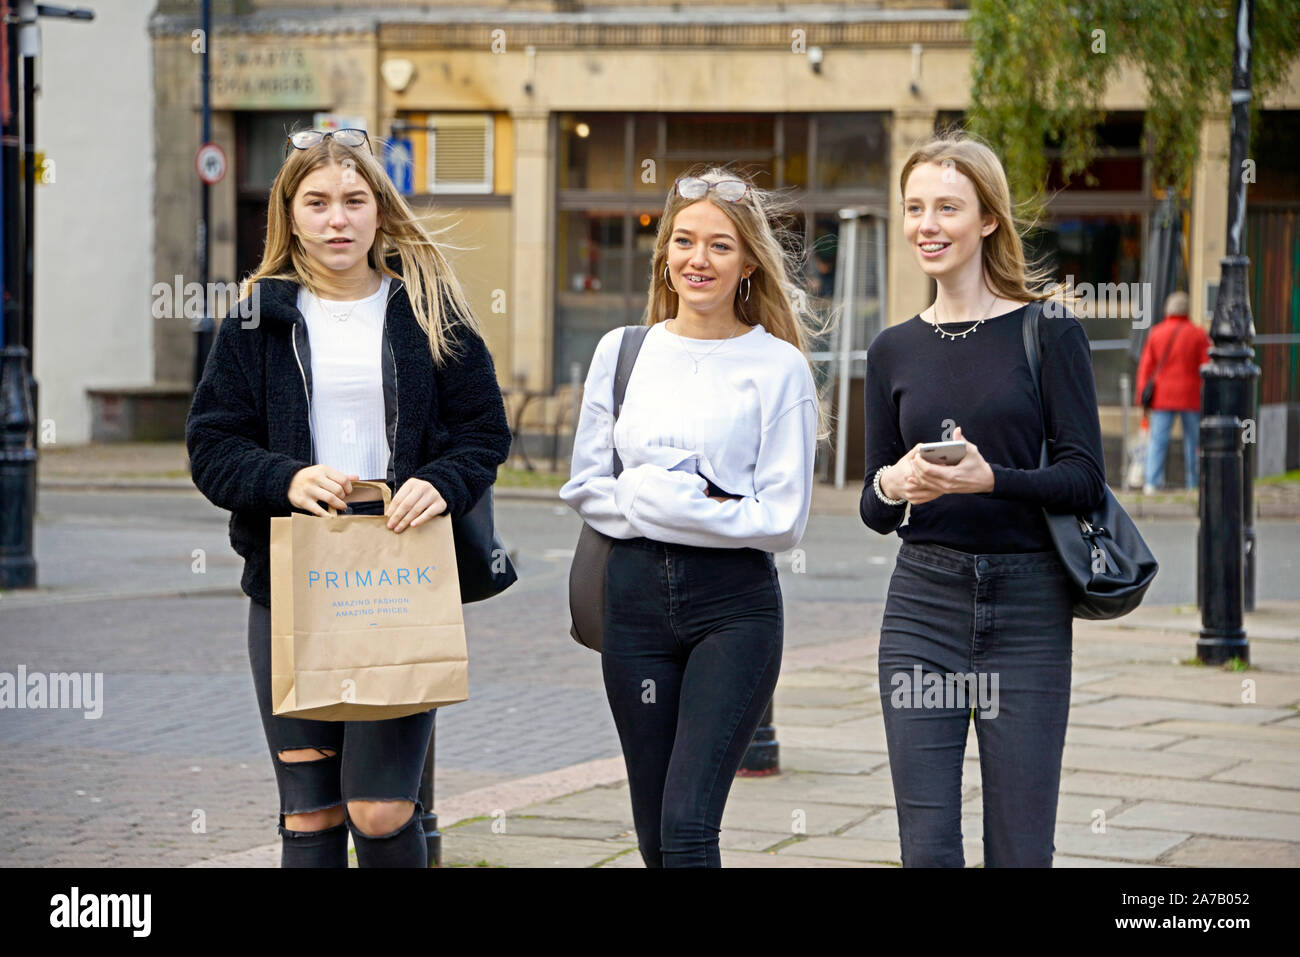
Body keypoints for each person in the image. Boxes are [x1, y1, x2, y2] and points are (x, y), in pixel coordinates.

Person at [186, 127, 511, 867]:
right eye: (319, 201)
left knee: (382, 804)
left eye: (354, 200)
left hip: (399, 573)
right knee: (310, 814)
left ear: (378, 210)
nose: (338, 218)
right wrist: (286, 478)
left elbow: (484, 431)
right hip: (291, 580)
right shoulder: (255, 319)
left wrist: (439, 481)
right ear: (290, 213)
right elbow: (211, 445)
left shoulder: (429, 307)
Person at [560, 167, 822, 867]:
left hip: (732, 609)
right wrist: (699, 503)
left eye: (719, 246)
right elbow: (586, 485)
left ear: (747, 264)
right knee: (653, 835)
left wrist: (655, 500)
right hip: (634, 601)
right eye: (683, 241)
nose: (697, 260)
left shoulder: (778, 368)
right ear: (664, 252)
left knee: (687, 825)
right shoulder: (623, 352)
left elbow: (781, 518)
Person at [860, 133, 1106, 867]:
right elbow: (875, 509)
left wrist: (990, 477)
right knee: (927, 848)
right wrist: (894, 482)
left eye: (947, 207)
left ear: (989, 219)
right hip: (921, 605)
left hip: (1029, 608)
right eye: (914, 208)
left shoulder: (1049, 328)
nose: (926, 225)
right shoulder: (892, 349)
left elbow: (1084, 476)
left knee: (1021, 850)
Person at [1136, 290, 1210, 492]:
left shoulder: (1156, 333)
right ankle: (1193, 483)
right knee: (1193, 443)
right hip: (1190, 396)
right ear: (1187, 310)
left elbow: (1146, 367)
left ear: (1168, 309)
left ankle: (1152, 482)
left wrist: (1142, 396)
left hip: (1163, 397)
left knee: (1158, 441)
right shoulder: (1198, 333)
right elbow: (1207, 365)